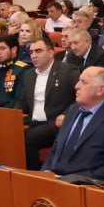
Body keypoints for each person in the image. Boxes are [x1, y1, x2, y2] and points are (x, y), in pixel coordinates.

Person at [41, 67, 104, 182]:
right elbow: (56, 148)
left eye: (84, 82)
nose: (76, 86)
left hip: (86, 184)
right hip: (55, 179)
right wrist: (46, 172)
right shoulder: (73, 109)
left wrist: (76, 179)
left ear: (100, 90)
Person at [19, 39, 81, 170]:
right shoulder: (28, 74)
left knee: (29, 137)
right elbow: (23, 102)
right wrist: (13, 116)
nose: (33, 55)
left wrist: (66, 115)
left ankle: (33, 175)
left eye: (38, 51)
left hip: (54, 123)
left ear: (50, 53)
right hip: (32, 121)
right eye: (31, 52)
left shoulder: (67, 72)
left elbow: (81, 98)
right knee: (8, 132)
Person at [0, 34, 29, 109]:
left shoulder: (22, 69)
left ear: (14, 50)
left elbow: (18, 100)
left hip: (7, 113)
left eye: (2, 48)